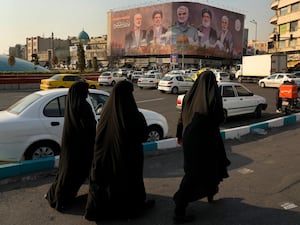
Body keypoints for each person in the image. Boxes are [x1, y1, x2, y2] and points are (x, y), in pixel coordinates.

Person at [84, 80, 155, 221]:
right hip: (127, 158)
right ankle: (132, 208)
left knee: (108, 183)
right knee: (130, 182)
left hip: (104, 156)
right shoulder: (133, 114)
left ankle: (103, 208)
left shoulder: (105, 111)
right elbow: (143, 135)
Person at [173, 71, 231, 224]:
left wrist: (179, 135)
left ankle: (211, 192)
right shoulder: (212, 96)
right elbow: (219, 118)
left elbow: (181, 117)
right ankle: (179, 207)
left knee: (199, 170)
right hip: (206, 142)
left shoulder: (188, 96)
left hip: (189, 140)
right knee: (199, 172)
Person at [45, 81, 97, 211]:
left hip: (71, 145)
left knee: (66, 172)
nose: (88, 92)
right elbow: (89, 126)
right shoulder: (83, 105)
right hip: (83, 147)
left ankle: (55, 195)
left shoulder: (71, 104)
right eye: (86, 90)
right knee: (77, 174)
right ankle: (61, 199)